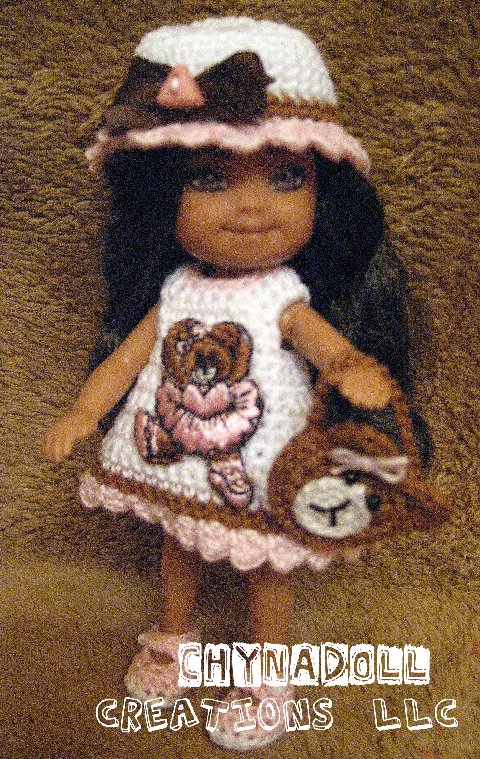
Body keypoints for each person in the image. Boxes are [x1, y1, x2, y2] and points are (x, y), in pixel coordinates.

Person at [43, 17, 437, 750]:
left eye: (287, 177)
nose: (252, 207)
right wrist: (82, 413)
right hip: (174, 458)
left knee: (268, 567)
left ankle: (265, 673)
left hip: (265, 466)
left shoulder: (282, 295)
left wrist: (353, 368)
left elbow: (326, 346)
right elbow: (127, 360)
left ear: (325, 193)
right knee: (179, 542)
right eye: (209, 179)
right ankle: (174, 636)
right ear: (162, 197)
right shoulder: (175, 291)